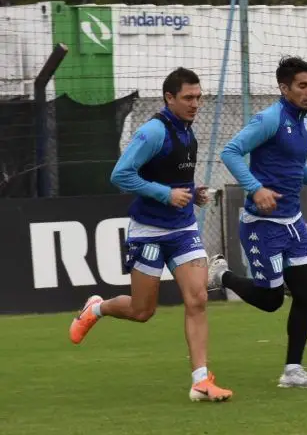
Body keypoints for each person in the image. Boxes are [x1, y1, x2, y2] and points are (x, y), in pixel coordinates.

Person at [69, 67, 233, 403]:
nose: (195, 103)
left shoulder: (188, 132)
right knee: (143, 311)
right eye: (188, 97)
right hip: (149, 232)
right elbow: (121, 175)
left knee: (198, 298)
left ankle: (201, 380)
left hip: (183, 227)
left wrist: (192, 192)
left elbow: (174, 179)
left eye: (199, 97)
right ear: (168, 98)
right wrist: (165, 194)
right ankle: (96, 308)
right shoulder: (153, 132)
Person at [207, 57, 307, 389]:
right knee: (271, 300)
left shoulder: (306, 125)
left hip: (293, 223)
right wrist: (255, 189)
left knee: (305, 292)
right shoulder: (270, 119)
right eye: (302, 85)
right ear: (284, 88)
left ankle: (293, 370)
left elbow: (295, 171)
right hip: (262, 225)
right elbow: (230, 152)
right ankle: (219, 274)